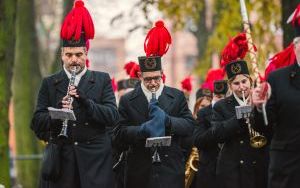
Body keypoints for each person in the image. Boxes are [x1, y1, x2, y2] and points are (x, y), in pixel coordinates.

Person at [31, 1, 119, 187]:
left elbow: (112, 116)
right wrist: (56, 115)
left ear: (86, 53)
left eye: (78, 54)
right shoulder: (50, 82)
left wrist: (86, 101)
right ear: (62, 54)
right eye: (69, 55)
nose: (74, 60)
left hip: (95, 161)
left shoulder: (102, 79)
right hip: (62, 162)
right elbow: (36, 122)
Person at [114, 20, 195, 188]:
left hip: (170, 172)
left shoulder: (177, 96)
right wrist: (141, 130)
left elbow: (189, 126)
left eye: (156, 78)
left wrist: (167, 120)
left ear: (162, 75)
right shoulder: (128, 100)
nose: (152, 83)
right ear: (141, 76)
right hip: (139, 174)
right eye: (148, 79)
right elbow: (119, 134)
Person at [252, 4, 300, 188]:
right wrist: (258, 107)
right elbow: (264, 126)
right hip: (287, 171)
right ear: (295, 46)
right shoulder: (277, 79)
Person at [210, 60, 268, 188]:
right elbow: (217, 134)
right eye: (236, 83)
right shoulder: (221, 106)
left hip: (257, 167)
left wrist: (257, 109)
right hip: (232, 171)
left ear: (250, 81)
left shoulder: (260, 101)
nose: (241, 87)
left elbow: (269, 128)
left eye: (244, 82)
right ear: (230, 86)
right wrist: (239, 118)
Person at [193, 80, 228, 188]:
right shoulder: (203, 113)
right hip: (208, 170)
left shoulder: (231, 110)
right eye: (217, 96)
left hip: (228, 170)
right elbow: (198, 140)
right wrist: (217, 129)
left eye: (223, 97)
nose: (220, 100)